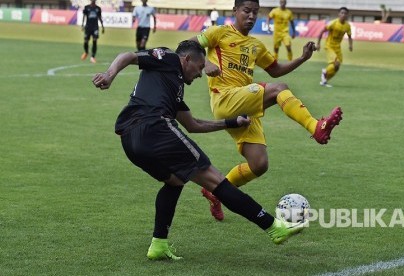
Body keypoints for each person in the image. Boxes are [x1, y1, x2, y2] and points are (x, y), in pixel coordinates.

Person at [91, 40, 308, 261]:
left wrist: (231, 123)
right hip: (154, 127)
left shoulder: (172, 88)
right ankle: (273, 227)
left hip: (130, 139)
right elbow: (129, 55)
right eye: (199, 66)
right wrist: (109, 74)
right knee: (215, 180)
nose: (200, 73)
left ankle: (158, 244)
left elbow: (193, 125)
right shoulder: (168, 57)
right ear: (186, 60)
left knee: (175, 181)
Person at [190, 0, 343, 221]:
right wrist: (204, 63)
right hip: (224, 99)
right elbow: (188, 44)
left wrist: (302, 58)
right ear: (235, 11)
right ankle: (315, 127)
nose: (251, 16)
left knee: (259, 165)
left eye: (255, 12)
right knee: (280, 90)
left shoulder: (255, 45)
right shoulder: (219, 32)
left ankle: (214, 192)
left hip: (244, 105)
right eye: (246, 11)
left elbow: (276, 70)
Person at [316, 7, 353, 87]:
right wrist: (318, 44)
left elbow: (349, 36)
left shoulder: (347, 26)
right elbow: (322, 32)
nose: (343, 15)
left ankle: (324, 80)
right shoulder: (333, 23)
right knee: (336, 63)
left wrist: (350, 45)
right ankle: (325, 71)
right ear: (339, 14)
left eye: (345, 13)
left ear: (347, 15)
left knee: (337, 67)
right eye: (342, 13)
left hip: (337, 48)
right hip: (329, 46)